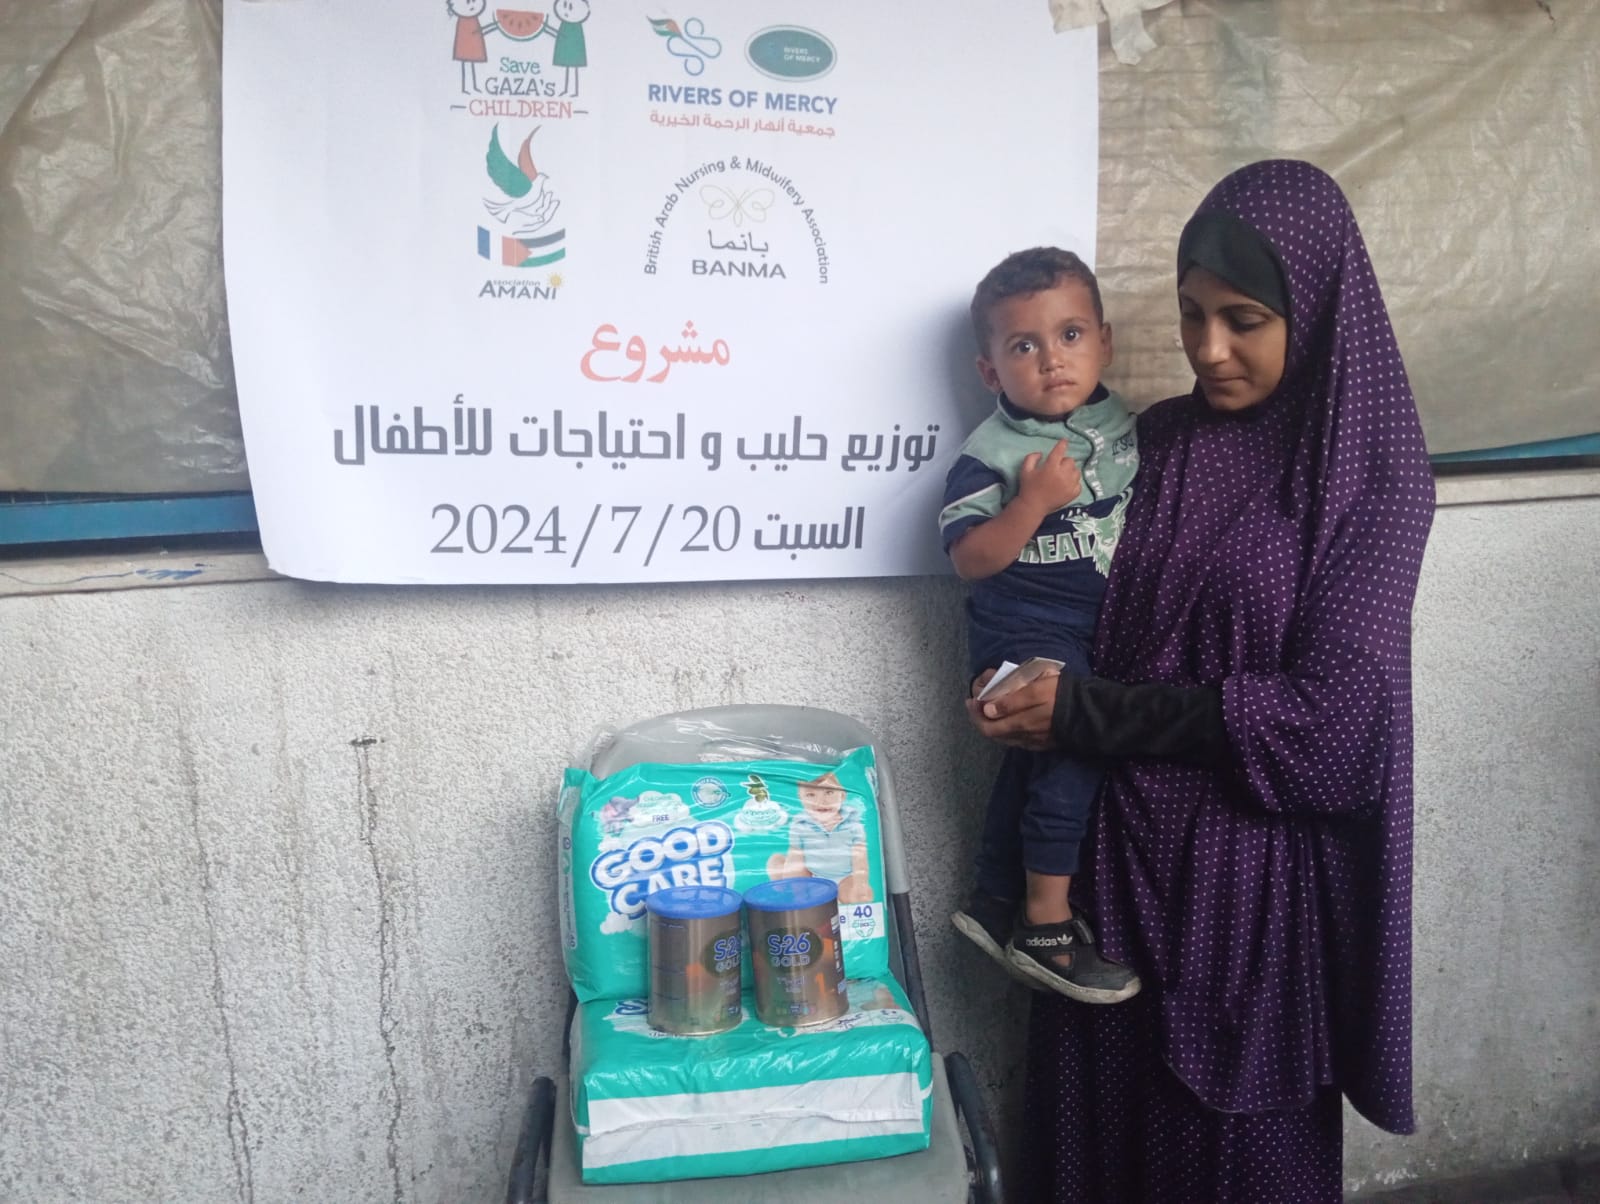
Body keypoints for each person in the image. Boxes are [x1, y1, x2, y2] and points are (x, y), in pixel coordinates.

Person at [966, 160, 1433, 1201]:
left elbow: (1334, 723)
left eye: (1243, 319)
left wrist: (1087, 711)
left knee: (1232, 1156)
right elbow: (1062, 588)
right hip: (1106, 871)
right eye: (1188, 316)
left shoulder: (1370, 478)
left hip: (1248, 896)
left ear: (1314, 310)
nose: (1207, 350)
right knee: (1094, 1143)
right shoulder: (1153, 443)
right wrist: (1012, 676)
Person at [940, 247, 1141, 1003]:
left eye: (1070, 336)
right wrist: (1032, 504)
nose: (1052, 361)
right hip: (1022, 632)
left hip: (1097, 630)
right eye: (1024, 346)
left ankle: (995, 900)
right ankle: (1048, 925)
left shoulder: (1124, 425)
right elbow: (969, 557)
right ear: (991, 371)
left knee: (1033, 760)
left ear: (1104, 342)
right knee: (1072, 743)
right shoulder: (991, 455)